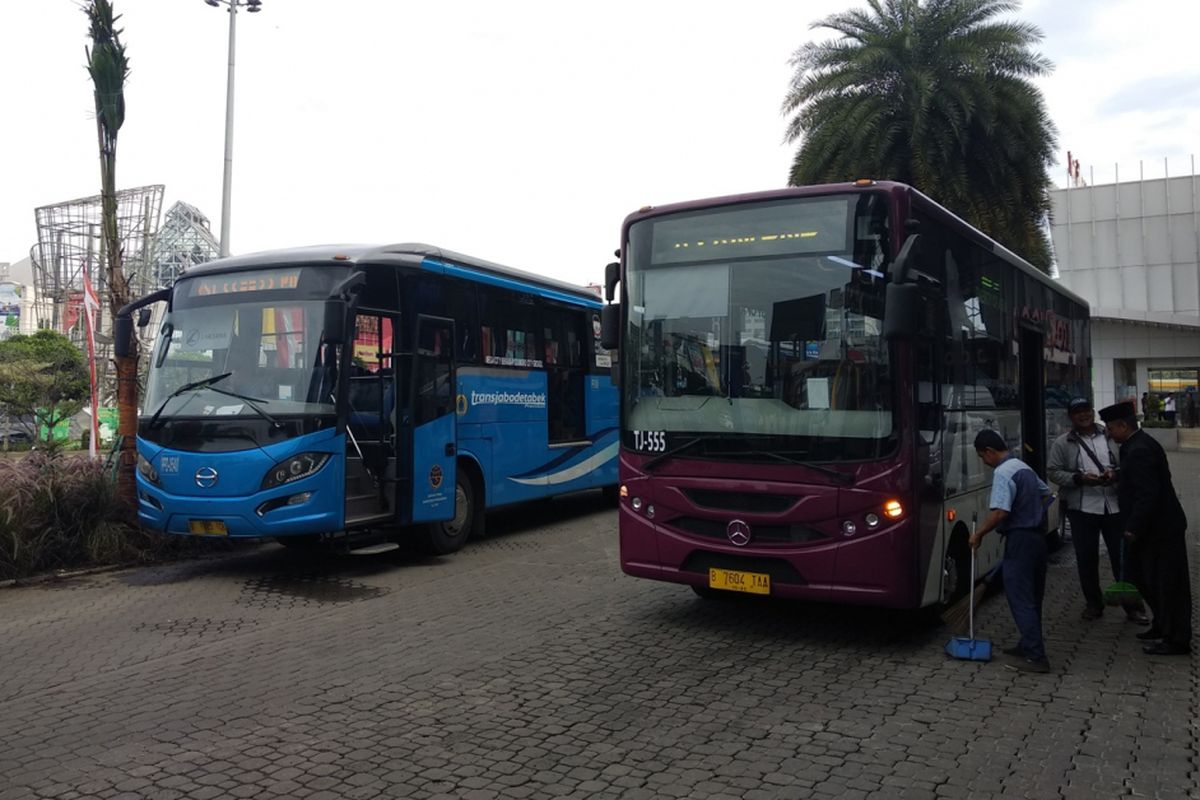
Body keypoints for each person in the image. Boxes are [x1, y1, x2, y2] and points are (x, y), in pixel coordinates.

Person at [1099, 400, 1192, 656]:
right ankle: (1162, 625)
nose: (1108, 432)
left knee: (1167, 584)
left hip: (1159, 529)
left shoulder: (1138, 449)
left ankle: (1176, 638)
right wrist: (1117, 475)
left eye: (1111, 427)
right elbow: (1137, 479)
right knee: (1148, 580)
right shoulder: (1136, 445)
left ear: (1123, 425)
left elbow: (1147, 494)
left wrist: (1132, 527)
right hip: (1154, 528)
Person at [1047, 398, 1149, 623]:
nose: (1083, 416)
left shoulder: (1112, 436)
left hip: (1114, 506)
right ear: (1071, 417)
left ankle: (1132, 605)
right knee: (1086, 558)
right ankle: (1093, 603)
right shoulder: (1063, 443)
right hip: (1082, 508)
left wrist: (1115, 474)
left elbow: (1129, 462)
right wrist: (1078, 478)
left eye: (1086, 411)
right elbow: (1053, 471)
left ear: (1092, 413)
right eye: (1077, 413)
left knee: (1122, 557)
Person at [969, 429, 1053, 673]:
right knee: (1033, 596)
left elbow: (1000, 512)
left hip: (1020, 539)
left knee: (1020, 598)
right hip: (1038, 539)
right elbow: (1047, 494)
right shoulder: (1021, 466)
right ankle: (1027, 644)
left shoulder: (1003, 472)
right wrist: (1034, 512)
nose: (984, 462)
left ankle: (1036, 657)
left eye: (982, 457)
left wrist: (978, 534)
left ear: (990, 452)